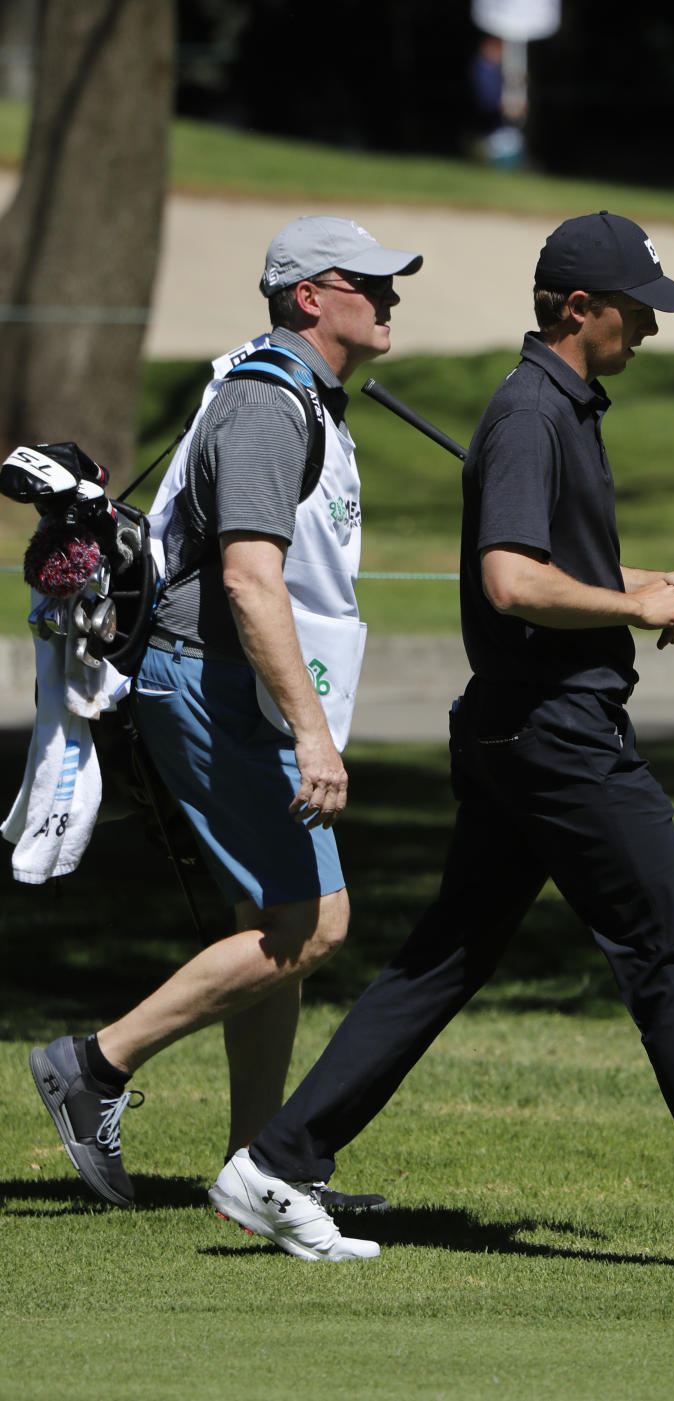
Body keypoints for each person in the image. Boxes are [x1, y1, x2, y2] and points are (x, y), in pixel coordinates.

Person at [208, 211, 674, 1277]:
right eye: (636, 313)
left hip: (520, 726)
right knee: (671, 953)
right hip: (556, 733)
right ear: (578, 309)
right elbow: (511, 582)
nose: (651, 333)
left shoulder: (562, 407)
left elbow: (548, 568)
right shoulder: (534, 412)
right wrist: (631, 611)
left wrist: (664, 588)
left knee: (445, 958)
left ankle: (276, 1163)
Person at [29, 216, 422, 1255]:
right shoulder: (265, 405)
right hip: (214, 687)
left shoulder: (295, 399)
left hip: (220, 686)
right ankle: (94, 1066)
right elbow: (249, 580)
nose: (389, 298)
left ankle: (263, 1167)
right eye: (368, 283)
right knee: (315, 924)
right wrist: (313, 734)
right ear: (308, 298)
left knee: (275, 925)